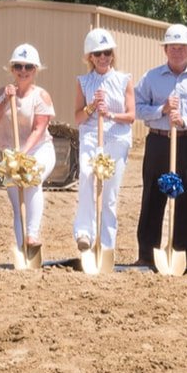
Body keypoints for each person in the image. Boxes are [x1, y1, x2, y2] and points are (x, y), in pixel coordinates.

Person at [134, 23, 187, 270]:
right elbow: (137, 108)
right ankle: (147, 254)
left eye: (183, 48)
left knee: (185, 197)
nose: (178, 52)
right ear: (166, 49)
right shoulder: (150, 78)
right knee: (152, 195)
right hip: (158, 141)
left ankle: (182, 253)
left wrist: (185, 121)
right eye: (173, 47)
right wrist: (161, 109)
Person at [0, 44, 56, 253]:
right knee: (17, 200)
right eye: (18, 66)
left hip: (38, 149)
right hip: (10, 152)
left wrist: (23, 155)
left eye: (28, 67)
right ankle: (22, 247)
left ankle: (32, 235)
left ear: (35, 70)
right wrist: (6, 101)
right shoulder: (3, 92)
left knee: (31, 178)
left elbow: (39, 128)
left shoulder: (41, 95)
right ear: (12, 69)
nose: (23, 71)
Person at [72, 29, 134, 253]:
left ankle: (107, 244)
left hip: (117, 137)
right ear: (90, 56)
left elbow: (131, 116)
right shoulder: (83, 82)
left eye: (107, 52)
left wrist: (109, 114)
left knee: (109, 192)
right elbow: (78, 117)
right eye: (97, 53)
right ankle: (84, 233)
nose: (103, 57)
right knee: (88, 177)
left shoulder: (123, 80)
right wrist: (91, 107)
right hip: (90, 134)